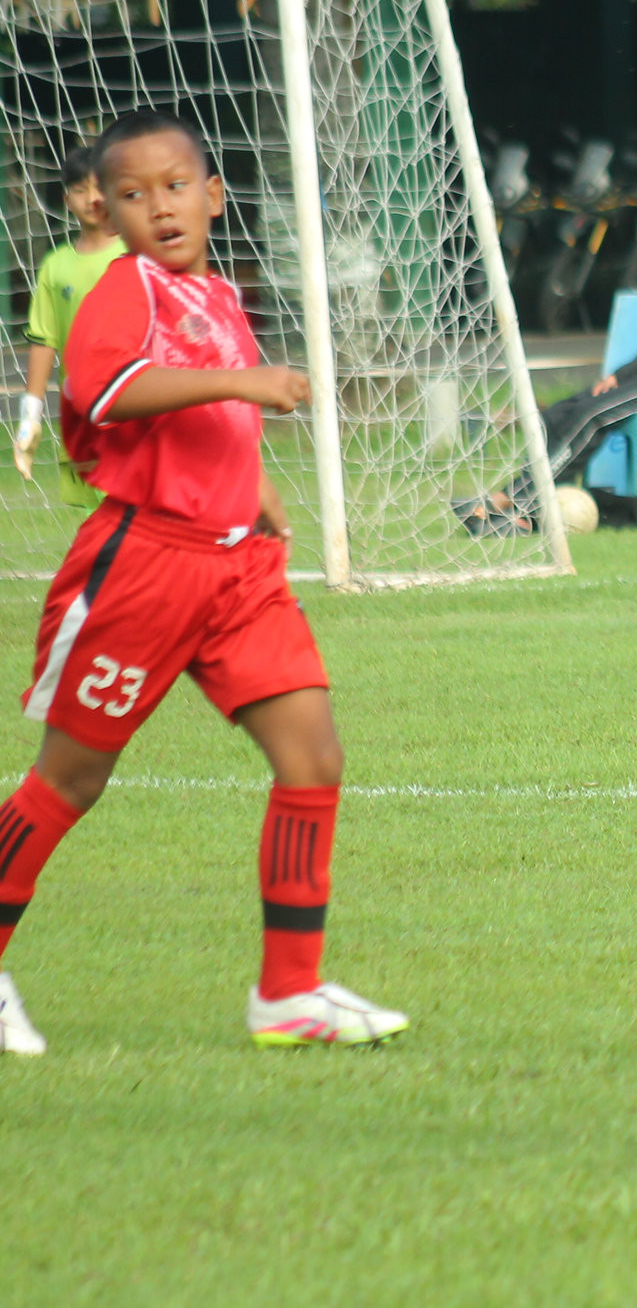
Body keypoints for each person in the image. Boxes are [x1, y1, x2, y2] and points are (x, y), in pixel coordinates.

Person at [0, 110, 407, 1056]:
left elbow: (202, 413)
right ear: (107, 209)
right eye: (133, 194)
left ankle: (289, 995)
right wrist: (243, 384)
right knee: (72, 778)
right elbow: (104, 392)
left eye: (177, 186)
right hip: (142, 568)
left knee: (314, 758)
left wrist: (253, 480)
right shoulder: (120, 287)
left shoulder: (218, 292)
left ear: (214, 196)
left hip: (237, 570)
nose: (160, 207)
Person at [458, 206, 637, 534]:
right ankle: (530, 509)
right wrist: (621, 375)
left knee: (595, 416)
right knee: (562, 412)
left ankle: (514, 503)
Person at [13, 142, 125, 504]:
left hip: (135, 413)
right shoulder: (54, 266)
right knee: (99, 522)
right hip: (82, 416)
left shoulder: (137, 254)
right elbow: (44, 340)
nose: (92, 198)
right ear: (66, 199)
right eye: (81, 189)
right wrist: (30, 415)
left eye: (100, 187)